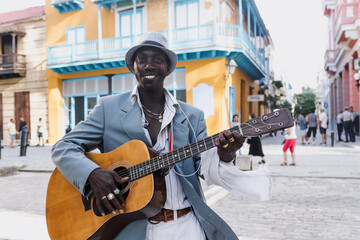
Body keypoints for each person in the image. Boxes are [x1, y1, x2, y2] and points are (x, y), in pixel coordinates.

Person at [51, 32, 271, 240]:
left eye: (157, 59)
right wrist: (92, 174)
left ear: (167, 69)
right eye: (142, 59)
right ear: (133, 67)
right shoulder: (108, 109)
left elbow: (203, 168)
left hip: (186, 226)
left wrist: (223, 155)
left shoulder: (191, 116)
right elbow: (63, 147)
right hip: (130, 228)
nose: (149, 65)